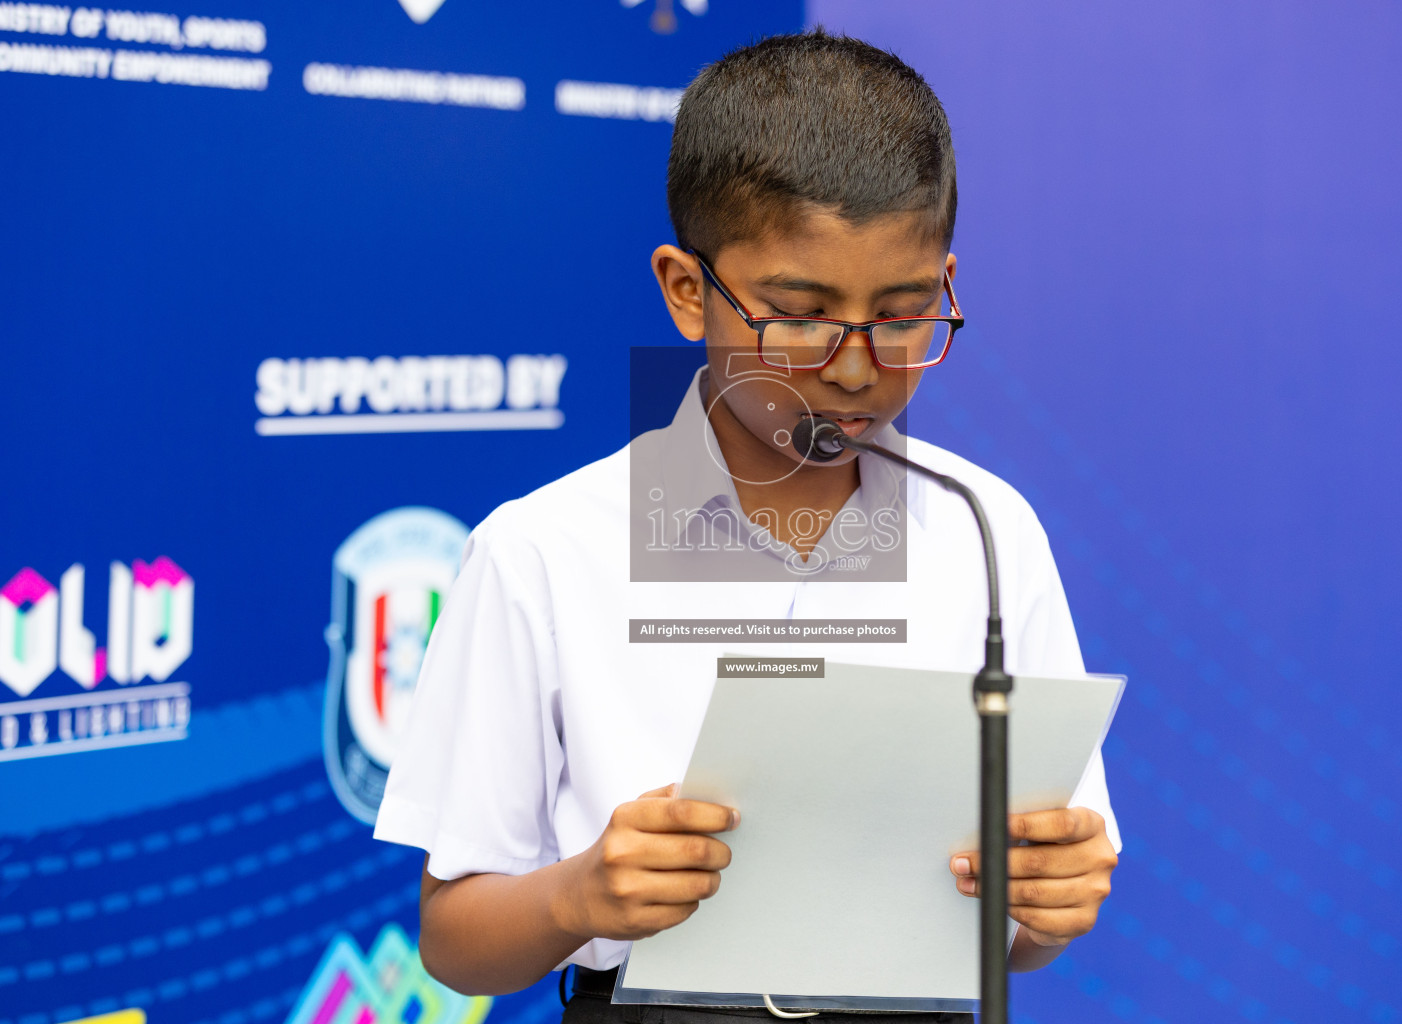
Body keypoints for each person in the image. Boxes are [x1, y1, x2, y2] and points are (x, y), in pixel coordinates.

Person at [374, 29, 1121, 1018]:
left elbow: (1025, 926)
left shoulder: (988, 531)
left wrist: (1048, 906)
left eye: (902, 315)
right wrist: (577, 892)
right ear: (689, 292)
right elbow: (454, 941)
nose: (855, 368)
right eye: (799, 315)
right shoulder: (545, 550)